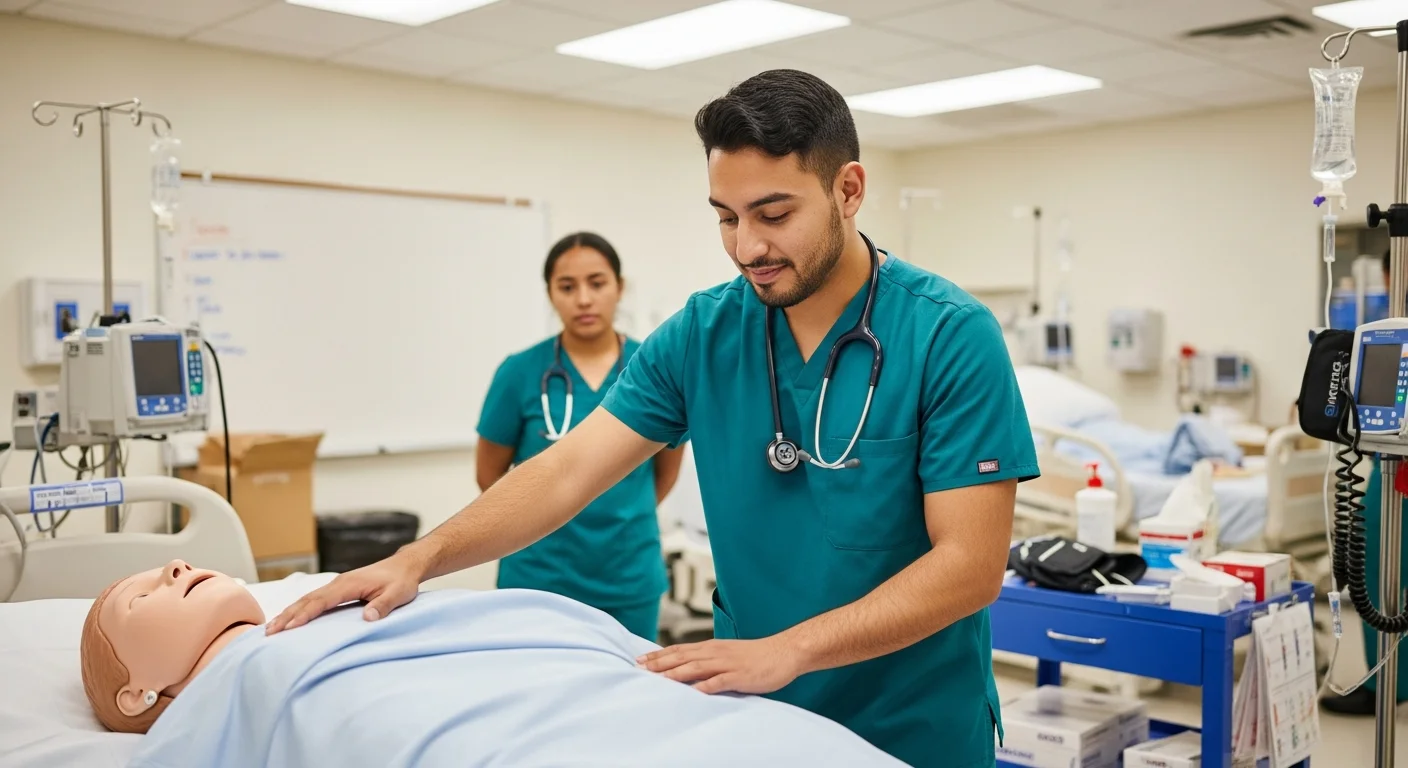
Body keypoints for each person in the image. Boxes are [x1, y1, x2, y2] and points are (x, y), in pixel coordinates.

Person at [268, 69, 1038, 768]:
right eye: (726, 217)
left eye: (773, 213)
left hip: (911, 726)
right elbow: (569, 468)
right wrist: (419, 559)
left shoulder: (948, 335)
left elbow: (970, 566)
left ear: (849, 189)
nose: (748, 246)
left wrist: (791, 651)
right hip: (754, 717)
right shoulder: (704, 334)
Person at [83, 560, 902, 767]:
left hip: (603, 690)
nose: (170, 568)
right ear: (137, 690)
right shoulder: (241, 685)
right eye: (138, 596)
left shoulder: (328, 604)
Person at [476, 231, 683, 641]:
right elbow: (489, 476)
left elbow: (665, 473)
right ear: (550, 294)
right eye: (567, 287)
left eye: (597, 283)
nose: (584, 299)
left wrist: (616, 513)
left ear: (619, 288)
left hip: (628, 578)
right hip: (537, 578)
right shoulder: (518, 373)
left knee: (631, 694)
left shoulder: (657, 366)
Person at [1322, 249, 1408, 716]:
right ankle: (1386, 680)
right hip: (1389, 466)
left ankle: (1388, 684)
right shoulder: (1388, 325)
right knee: (1376, 568)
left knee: (1384, 573)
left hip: (1401, 472)